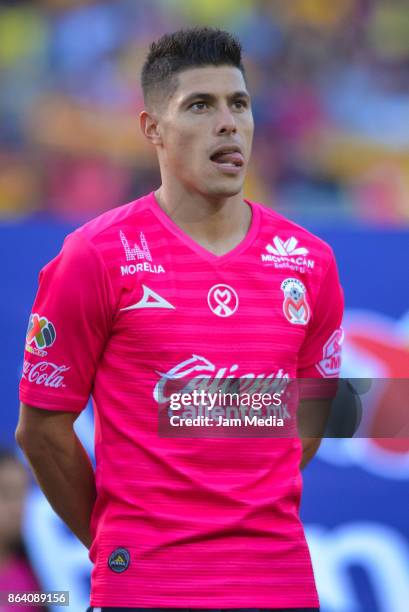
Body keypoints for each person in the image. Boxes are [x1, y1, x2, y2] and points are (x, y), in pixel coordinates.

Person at [16, 27, 344, 612]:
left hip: (279, 582)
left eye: (239, 104)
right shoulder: (94, 256)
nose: (228, 122)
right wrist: (116, 542)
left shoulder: (311, 261)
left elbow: (317, 411)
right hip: (144, 584)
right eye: (200, 105)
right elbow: (41, 430)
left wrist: (243, 498)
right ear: (153, 130)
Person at [0, 449, 47, 612]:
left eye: (22, 494)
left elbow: (64, 598)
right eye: (6, 494)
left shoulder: (38, 575)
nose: (18, 508)